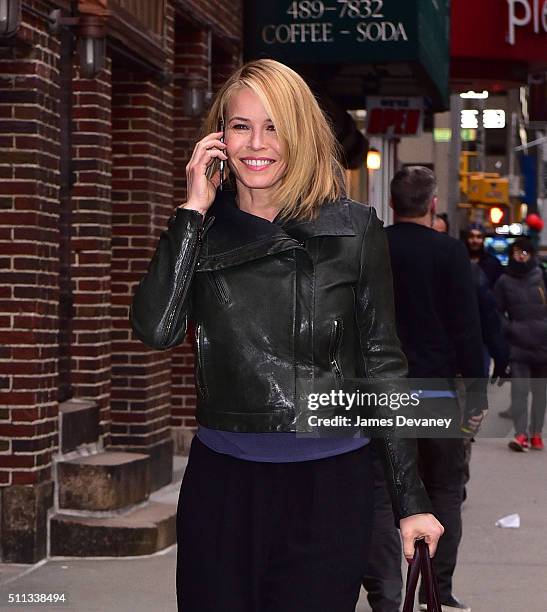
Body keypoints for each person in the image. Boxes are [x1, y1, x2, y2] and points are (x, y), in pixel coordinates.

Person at [129, 60, 443, 612]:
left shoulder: (353, 227)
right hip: (224, 482)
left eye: (274, 126)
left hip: (328, 483)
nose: (257, 143)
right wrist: (192, 208)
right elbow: (156, 330)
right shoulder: (201, 230)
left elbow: (382, 364)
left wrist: (410, 501)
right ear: (218, 137)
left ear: (300, 134)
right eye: (241, 125)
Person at [374, 166, 486, 612]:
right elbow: (466, 328)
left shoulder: (374, 246)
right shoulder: (449, 253)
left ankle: (385, 593)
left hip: (381, 391)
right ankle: (436, 591)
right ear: (432, 203)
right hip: (436, 390)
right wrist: (475, 394)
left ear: (392, 204)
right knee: (444, 489)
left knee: (382, 491)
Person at [494, 237, 547, 452]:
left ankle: (536, 433)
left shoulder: (542, 276)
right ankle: (521, 434)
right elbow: (496, 312)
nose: (520, 256)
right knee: (519, 391)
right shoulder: (504, 281)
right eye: (516, 252)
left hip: (543, 343)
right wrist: (509, 328)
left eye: (524, 252)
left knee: (540, 392)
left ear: (531, 255)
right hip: (518, 345)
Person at [465, 223, 503, 289]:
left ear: (484, 239)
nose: (475, 240)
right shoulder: (459, 261)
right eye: (471, 236)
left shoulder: (493, 263)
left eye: (479, 237)